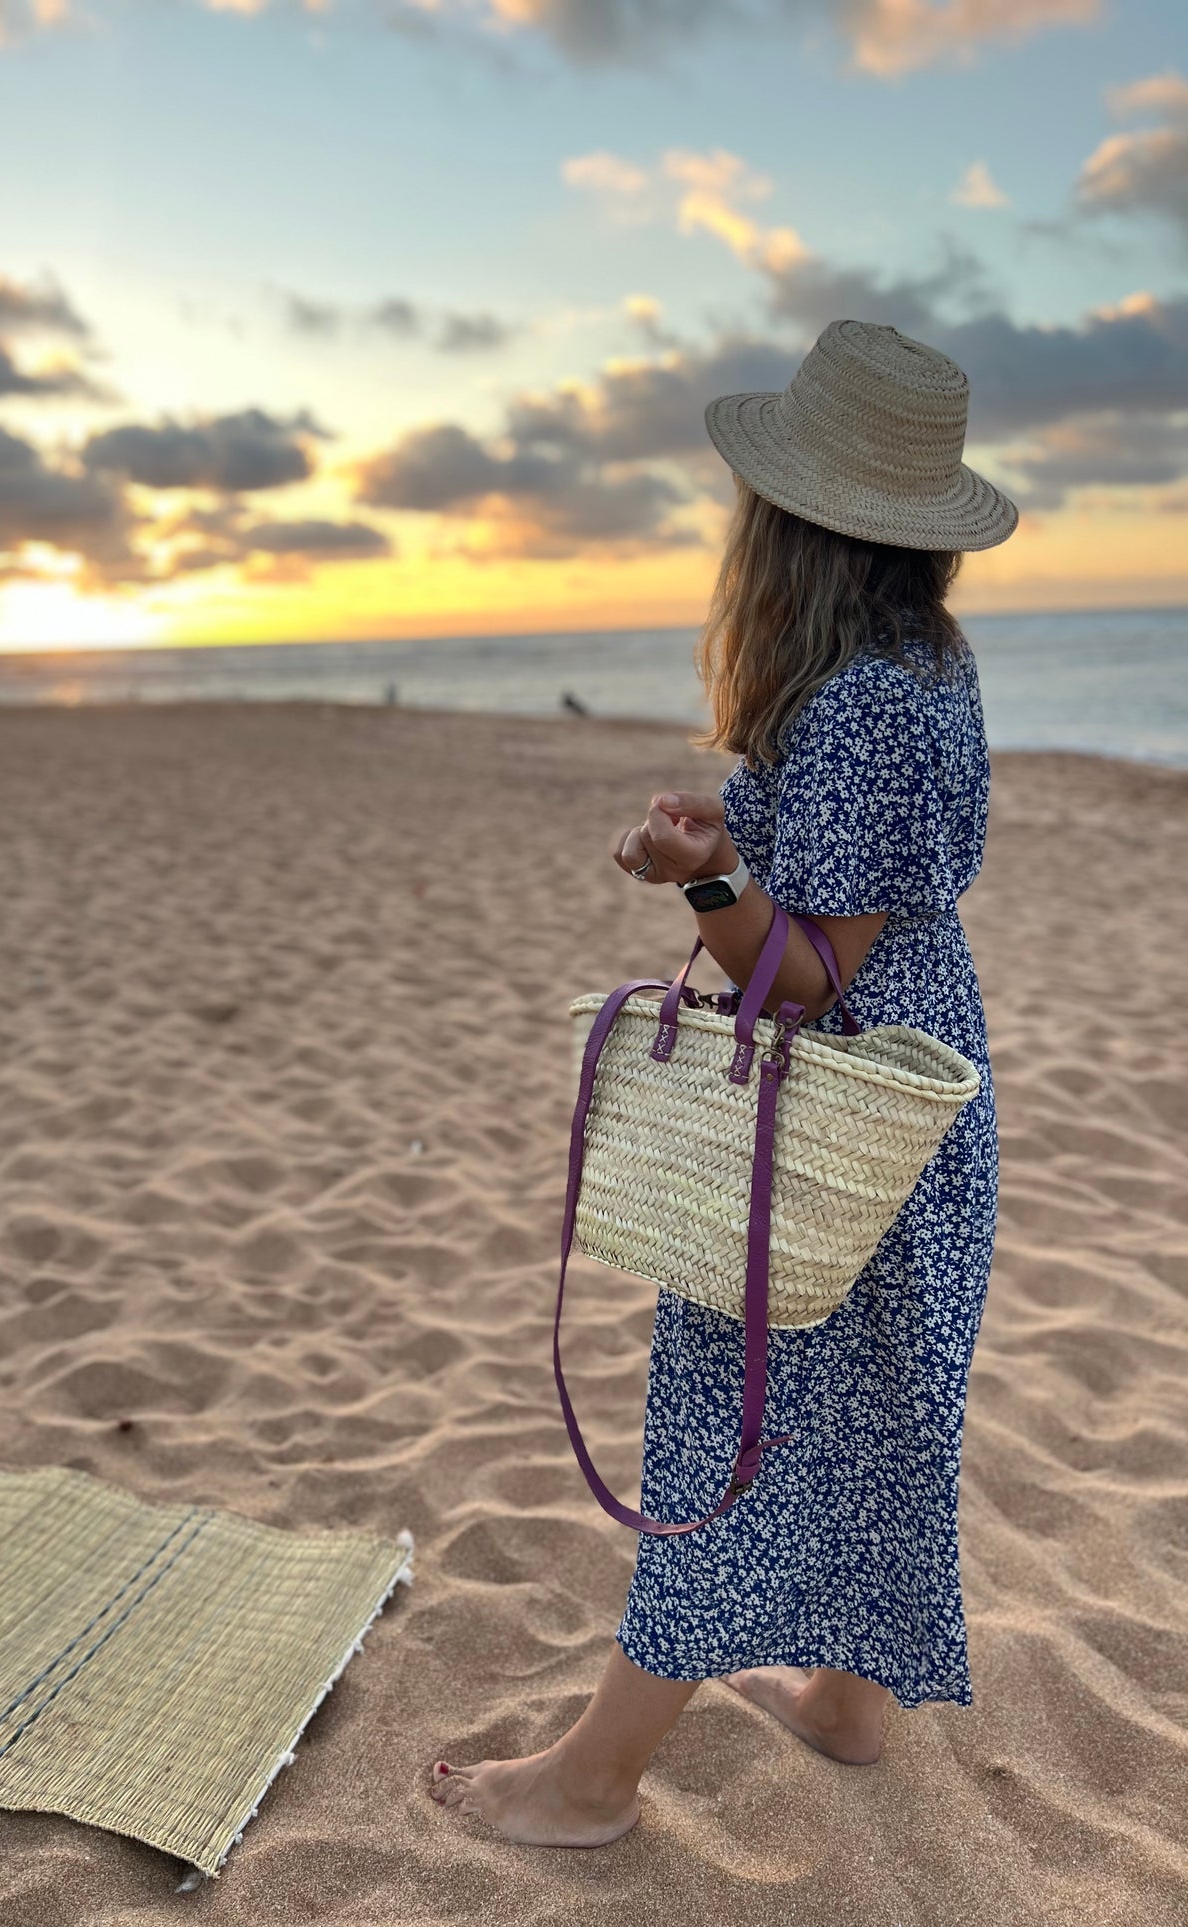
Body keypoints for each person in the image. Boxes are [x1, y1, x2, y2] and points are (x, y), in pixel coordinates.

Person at [428, 318, 1019, 1845]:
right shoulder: (912, 660)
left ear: (791, 519)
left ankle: (586, 1783)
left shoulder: (863, 700)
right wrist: (722, 841)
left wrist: (703, 888)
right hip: (918, 1100)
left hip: (837, 1129)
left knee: (732, 1437)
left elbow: (811, 974)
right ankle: (845, 1701)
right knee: (881, 1420)